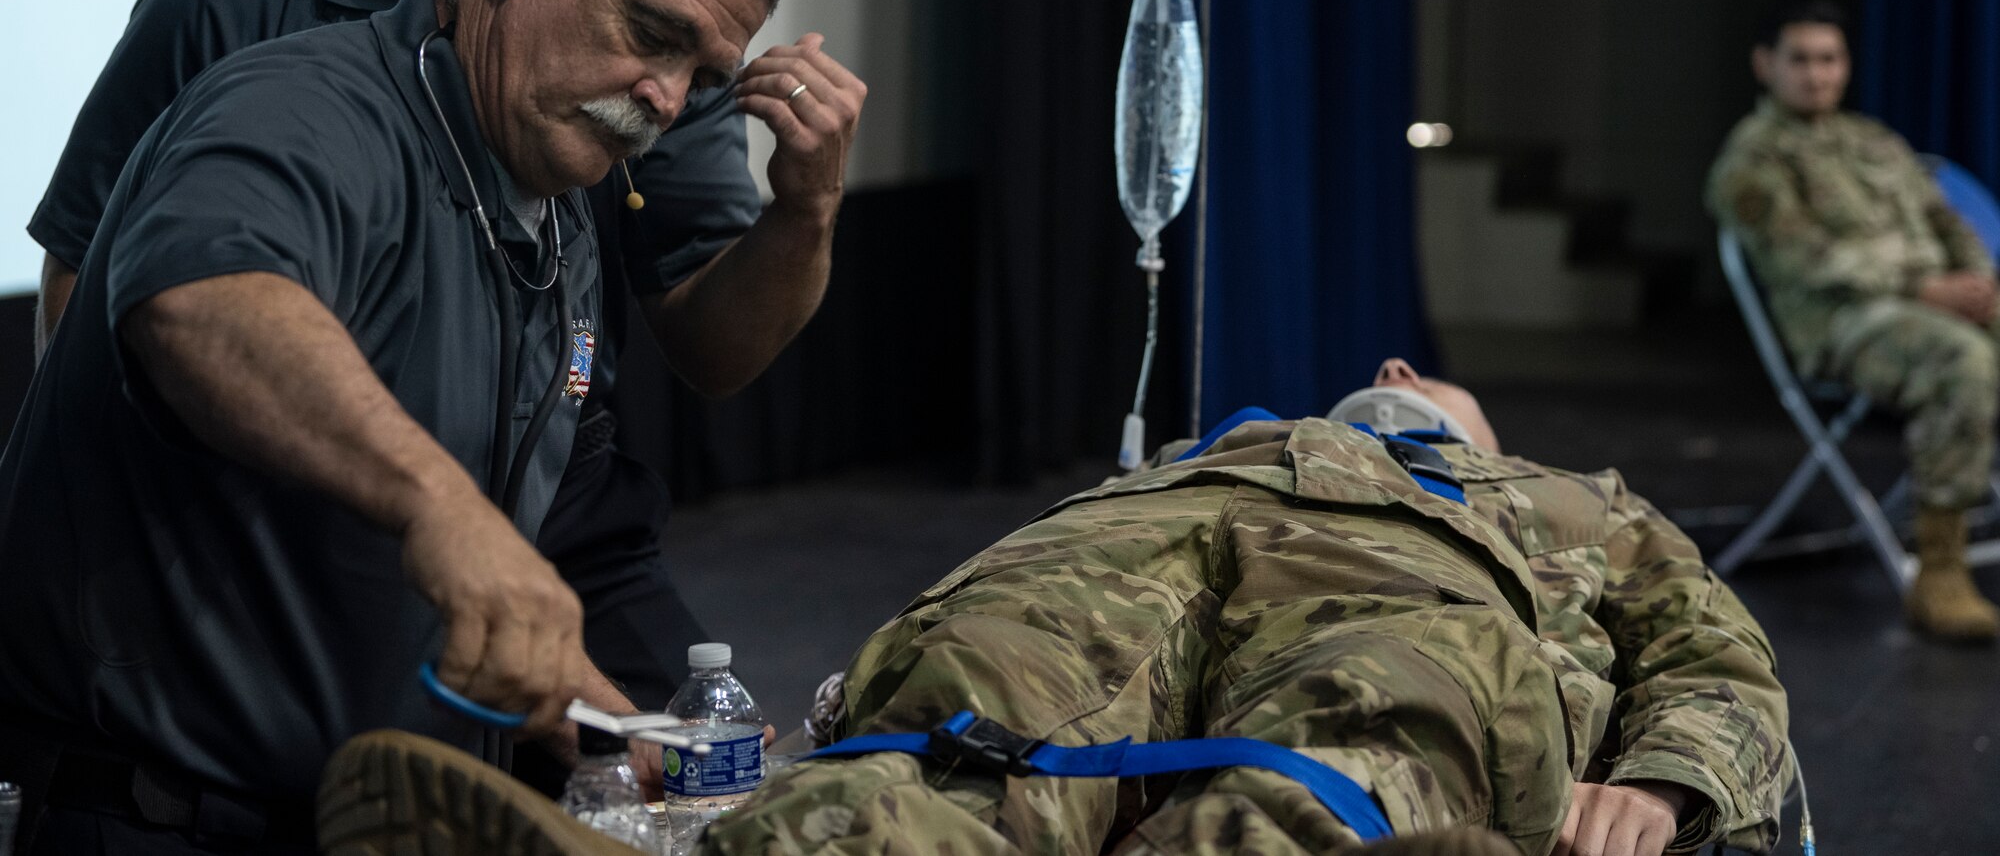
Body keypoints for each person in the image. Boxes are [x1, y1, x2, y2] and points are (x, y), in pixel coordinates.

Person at [26, 0, 864, 715]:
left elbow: (706, 340)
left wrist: (800, 213)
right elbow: (148, 286)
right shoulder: (259, 30)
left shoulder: (626, 71)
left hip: (534, 513)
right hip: (272, 563)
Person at [0, 0, 853, 854]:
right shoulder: (303, 104)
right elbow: (201, 297)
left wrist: (624, 724)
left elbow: (558, 540)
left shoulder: (557, 213)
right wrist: (439, 508)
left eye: (702, 77)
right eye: (652, 34)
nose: (665, 99)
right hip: (160, 819)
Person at [314, 362, 1791, 856]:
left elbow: (1716, 657)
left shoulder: (1569, 503)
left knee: (1366, 718)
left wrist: (1665, 783)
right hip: (1136, 546)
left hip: (1415, 578)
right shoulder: (1217, 444)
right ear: (1388, 375)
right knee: (966, 716)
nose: (1414, 388)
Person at [1707, 0, 2000, 642]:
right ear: (1766, 65)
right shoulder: (1751, 163)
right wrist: (1924, 288)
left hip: (1935, 301)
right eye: (1801, 60)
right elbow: (1805, 261)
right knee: (1964, 361)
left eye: (1829, 59)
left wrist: (1980, 283)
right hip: (1845, 323)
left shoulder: (1876, 142)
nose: (1817, 75)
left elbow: (1948, 221)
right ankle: (1942, 573)